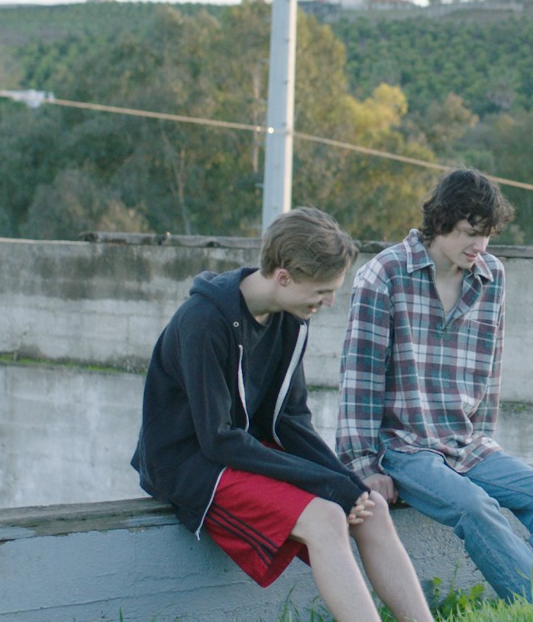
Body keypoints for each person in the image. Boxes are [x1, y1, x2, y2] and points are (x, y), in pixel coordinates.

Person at [132, 207, 433, 622]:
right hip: (192, 462)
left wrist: (345, 481)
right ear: (284, 277)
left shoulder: (291, 319)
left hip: (242, 446)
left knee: (371, 507)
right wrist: (326, 484)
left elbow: (291, 420)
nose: (329, 301)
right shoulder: (203, 322)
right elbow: (217, 439)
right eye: (323, 290)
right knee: (326, 518)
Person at [337, 169, 533, 602]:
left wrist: (484, 439)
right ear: (441, 222)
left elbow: (490, 370)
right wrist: (363, 465)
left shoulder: (491, 275)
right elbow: (359, 380)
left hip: (466, 444)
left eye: (487, 235)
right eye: (470, 232)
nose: (480, 245)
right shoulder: (384, 274)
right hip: (403, 446)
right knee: (476, 507)